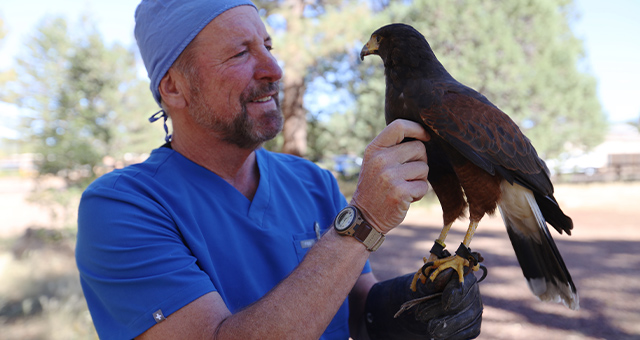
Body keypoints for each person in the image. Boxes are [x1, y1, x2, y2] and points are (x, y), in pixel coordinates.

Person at [75, 1, 483, 339]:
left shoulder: (312, 182)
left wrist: (415, 308)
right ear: (173, 87)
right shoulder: (121, 207)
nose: (274, 68)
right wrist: (363, 222)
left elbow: (356, 311)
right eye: (240, 53)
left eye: (268, 45)